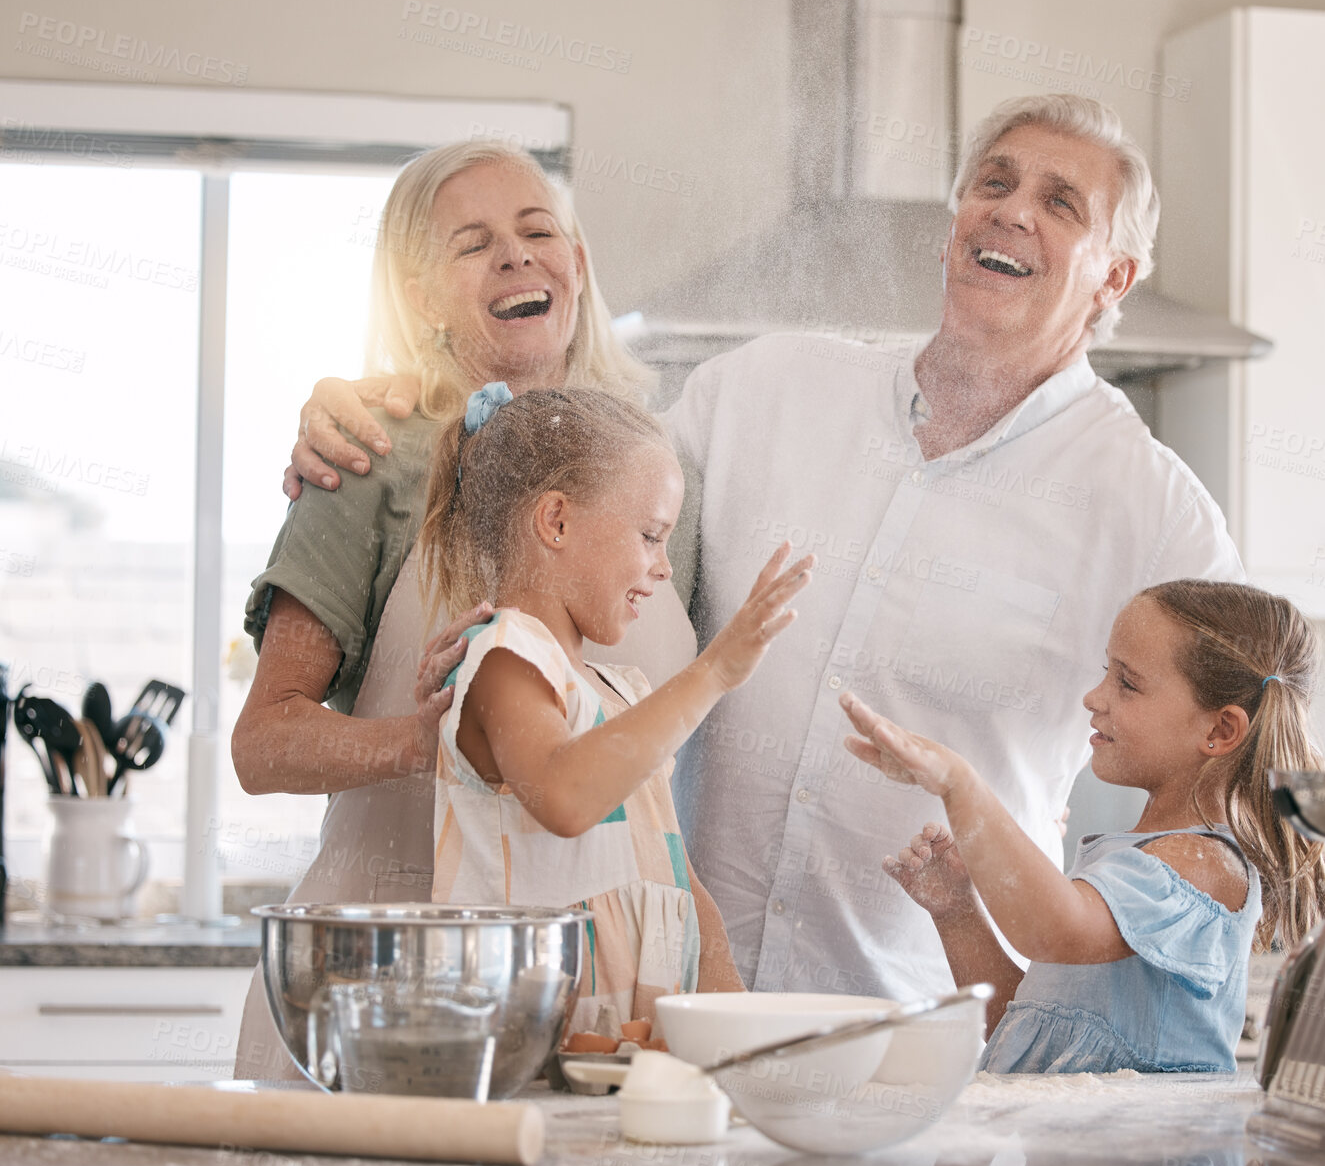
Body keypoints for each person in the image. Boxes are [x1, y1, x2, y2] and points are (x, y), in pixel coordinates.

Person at [283, 93, 1244, 1003]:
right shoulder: (757, 394)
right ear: (954, 220)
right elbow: (552, 482)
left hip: (924, 1027)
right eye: (993, 184)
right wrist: (366, 406)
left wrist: (1107, 974)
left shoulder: (1154, 510)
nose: (1012, 212)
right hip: (666, 1009)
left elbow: (1230, 771)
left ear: (1114, 277)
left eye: (1059, 201)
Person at [231, 140, 690, 1080]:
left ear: (578, 264)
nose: (517, 257)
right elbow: (263, 741)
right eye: (471, 244)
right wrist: (428, 742)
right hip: (383, 982)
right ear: (419, 295)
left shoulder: (654, 466)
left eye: (537, 232)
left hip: (605, 1001)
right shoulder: (368, 456)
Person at [420, 382, 813, 1025]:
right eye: (651, 535)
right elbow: (565, 796)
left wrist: (745, 1033)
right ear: (557, 521)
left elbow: (681, 886)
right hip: (524, 1061)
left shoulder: (621, 692)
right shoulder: (503, 660)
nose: (662, 566)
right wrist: (714, 671)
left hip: (628, 1060)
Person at [842, 580, 1325, 1074]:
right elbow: (1029, 1022)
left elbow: (1054, 932)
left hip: (1153, 1155)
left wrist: (960, 784)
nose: (1093, 697)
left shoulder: (1205, 864)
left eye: (1127, 683)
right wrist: (956, 913)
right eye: (1107, 672)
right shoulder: (1132, 859)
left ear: (1219, 730)